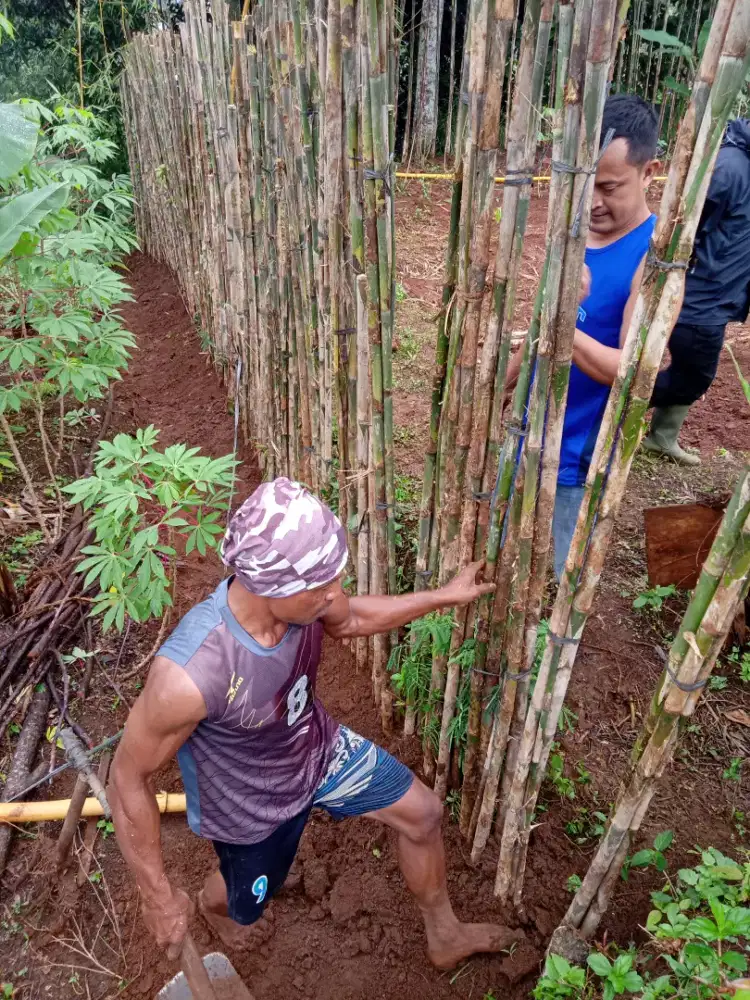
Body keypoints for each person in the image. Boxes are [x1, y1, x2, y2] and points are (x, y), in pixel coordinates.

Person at [109, 477, 520, 970]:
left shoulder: (312, 598)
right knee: (245, 896)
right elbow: (126, 777)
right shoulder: (190, 677)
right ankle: (213, 907)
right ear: (269, 587)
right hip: (253, 807)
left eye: (335, 580)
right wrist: (156, 894)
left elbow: (352, 620)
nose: (335, 595)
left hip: (319, 750)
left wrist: (442, 597)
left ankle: (445, 935)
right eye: (322, 587)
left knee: (424, 814)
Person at [506, 93, 660, 577]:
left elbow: (633, 372)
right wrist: (505, 383)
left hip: (578, 460)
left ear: (649, 173)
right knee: (508, 558)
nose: (592, 201)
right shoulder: (572, 236)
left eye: (609, 186)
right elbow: (538, 331)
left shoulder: (653, 258)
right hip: (525, 436)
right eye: (584, 184)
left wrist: (561, 322)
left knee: (559, 578)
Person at [643, 117, 750, 465]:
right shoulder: (730, 168)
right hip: (700, 298)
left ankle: (662, 437)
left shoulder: (740, 164)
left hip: (716, 296)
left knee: (691, 372)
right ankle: (607, 400)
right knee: (694, 377)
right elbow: (683, 225)